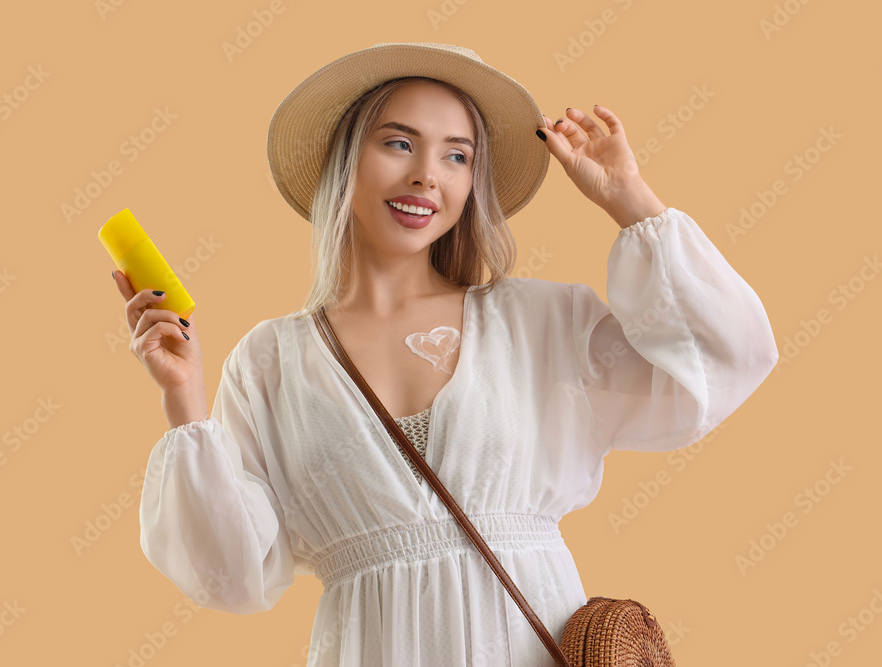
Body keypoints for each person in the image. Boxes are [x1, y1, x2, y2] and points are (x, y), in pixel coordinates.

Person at [113, 42, 778, 666]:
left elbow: (726, 358)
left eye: (457, 156)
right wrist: (184, 399)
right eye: (398, 142)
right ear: (347, 159)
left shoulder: (540, 322)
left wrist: (630, 200)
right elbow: (229, 573)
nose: (426, 175)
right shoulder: (270, 361)